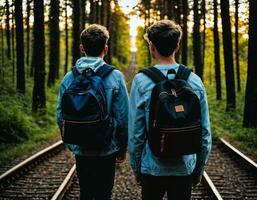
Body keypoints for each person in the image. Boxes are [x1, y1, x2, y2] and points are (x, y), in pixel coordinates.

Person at [128, 20, 212, 200]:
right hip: (184, 168)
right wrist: (199, 169)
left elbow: (136, 132)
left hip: (152, 167)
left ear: (151, 47)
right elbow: (204, 132)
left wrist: (137, 168)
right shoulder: (194, 81)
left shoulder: (142, 81)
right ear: (177, 46)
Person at [57, 24, 129, 200]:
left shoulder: (70, 77)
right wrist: (122, 147)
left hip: (81, 148)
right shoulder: (115, 76)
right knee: (104, 193)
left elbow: (60, 115)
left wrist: (72, 141)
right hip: (107, 148)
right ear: (105, 48)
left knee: (86, 192)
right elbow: (123, 117)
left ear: (82, 48)